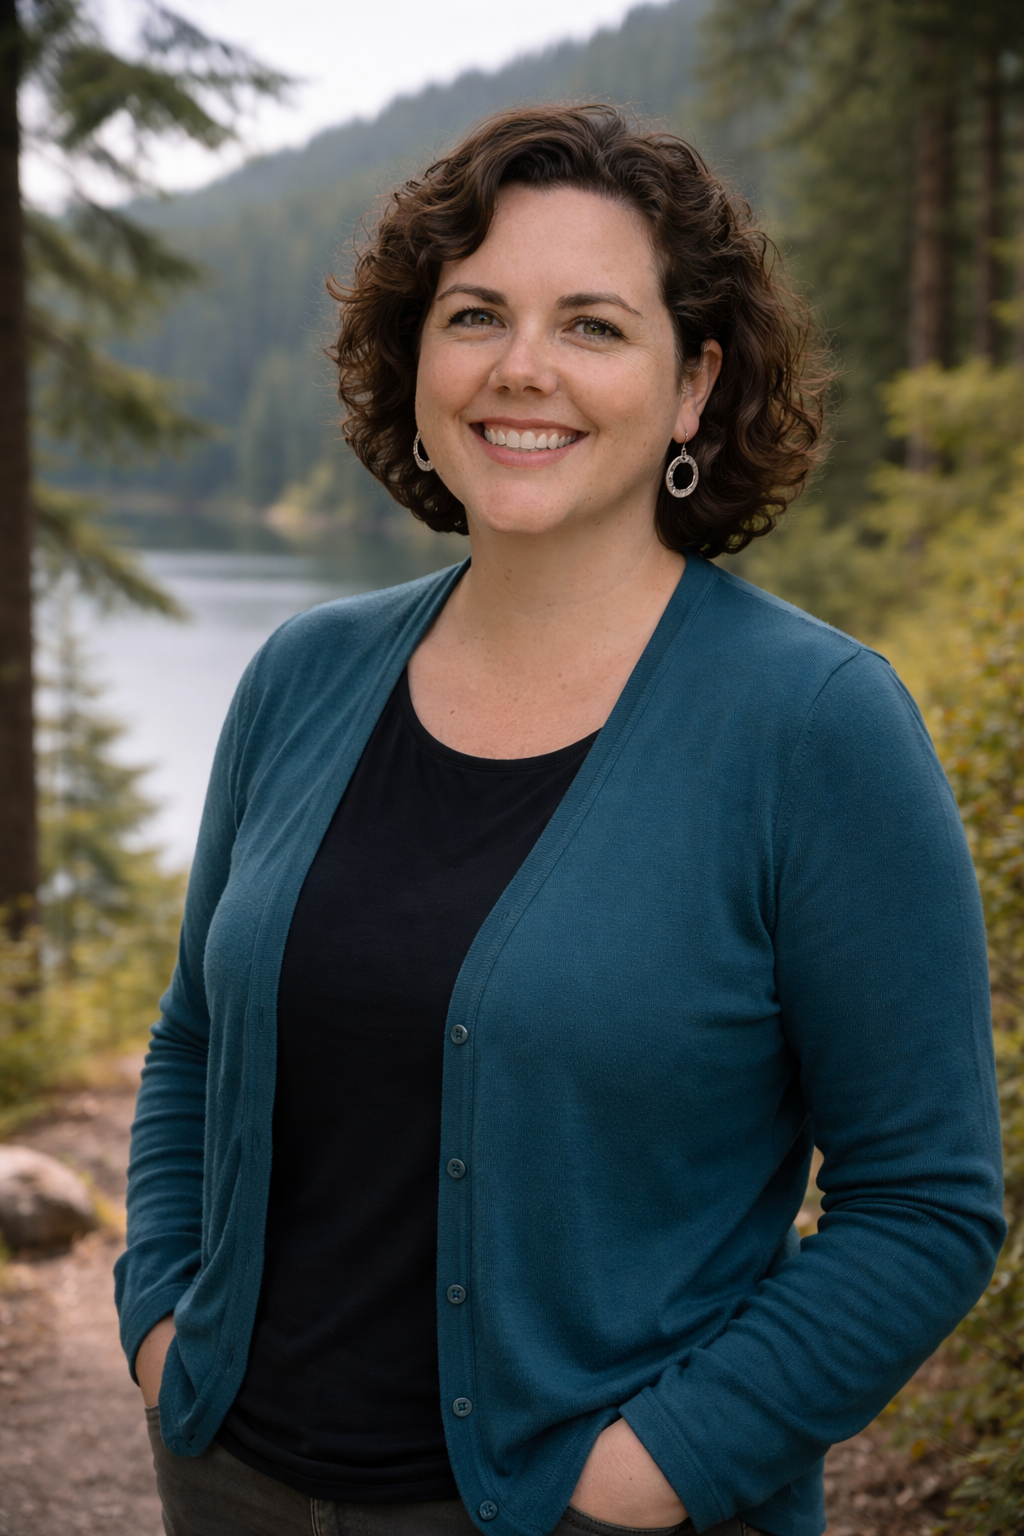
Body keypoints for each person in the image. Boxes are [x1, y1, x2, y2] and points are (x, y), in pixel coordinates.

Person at [115, 104, 1005, 1536]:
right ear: (415, 361)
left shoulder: (814, 724)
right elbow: (193, 1044)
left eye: (592, 326)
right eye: (476, 314)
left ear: (694, 386)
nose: (521, 369)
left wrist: (646, 1477)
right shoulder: (300, 677)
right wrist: (164, 1327)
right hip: (227, 1477)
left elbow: (926, 1204)